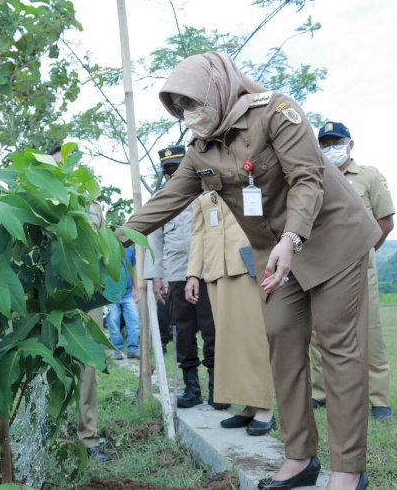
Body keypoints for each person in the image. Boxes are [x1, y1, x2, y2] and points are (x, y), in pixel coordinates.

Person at [118, 52, 379, 490]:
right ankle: (300, 459)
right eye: (178, 106)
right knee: (282, 347)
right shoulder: (201, 150)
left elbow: (307, 179)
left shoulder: (277, 111)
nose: (187, 114)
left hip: (329, 240)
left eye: (192, 101)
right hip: (275, 257)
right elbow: (164, 203)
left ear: (216, 89)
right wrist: (105, 241)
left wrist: (292, 239)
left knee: (338, 349)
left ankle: (349, 470)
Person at [309, 121, 396, 420]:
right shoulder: (314, 177)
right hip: (323, 268)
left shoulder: (369, 176)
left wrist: (366, 251)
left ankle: (379, 398)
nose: (330, 148)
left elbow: (385, 223)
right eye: (325, 143)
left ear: (350, 144)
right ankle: (319, 393)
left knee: (370, 332)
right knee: (319, 334)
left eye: (336, 142)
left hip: (359, 266)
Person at [185, 191, 275, 436]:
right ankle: (248, 405)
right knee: (230, 341)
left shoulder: (245, 177)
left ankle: (264, 407)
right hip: (216, 269)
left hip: (246, 265)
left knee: (252, 337)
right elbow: (198, 234)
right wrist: (193, 273)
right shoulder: (202, 193)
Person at [144, 144, 224, 410]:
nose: (172, 176)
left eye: (177, 170)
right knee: (184, 332)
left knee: (212, 329)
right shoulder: (161, 198)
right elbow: (154, 240)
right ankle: (192, 387)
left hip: (207, 271)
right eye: (168, 172)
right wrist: (156, 277)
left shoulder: (209, 193)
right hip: (176, 272)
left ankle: (218, 386)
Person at [50, 145, 111, 462]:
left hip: (87, 299)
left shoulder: (93, 206)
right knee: (52, 367)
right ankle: (51, 434)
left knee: (88, 368)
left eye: (71, 163)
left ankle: (88, 438)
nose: (66, 169)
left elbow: (102, 251)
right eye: (60, 164)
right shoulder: (42, 202)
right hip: (49, 299)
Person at [105, 245, 140, 360]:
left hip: (128, 294)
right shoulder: (106, 246)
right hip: (111, 294)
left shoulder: (130, 249)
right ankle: (117, 350)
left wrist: (137, 289)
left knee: (134, 321)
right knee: (113, 322)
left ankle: (133, 350)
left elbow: (134, 269)